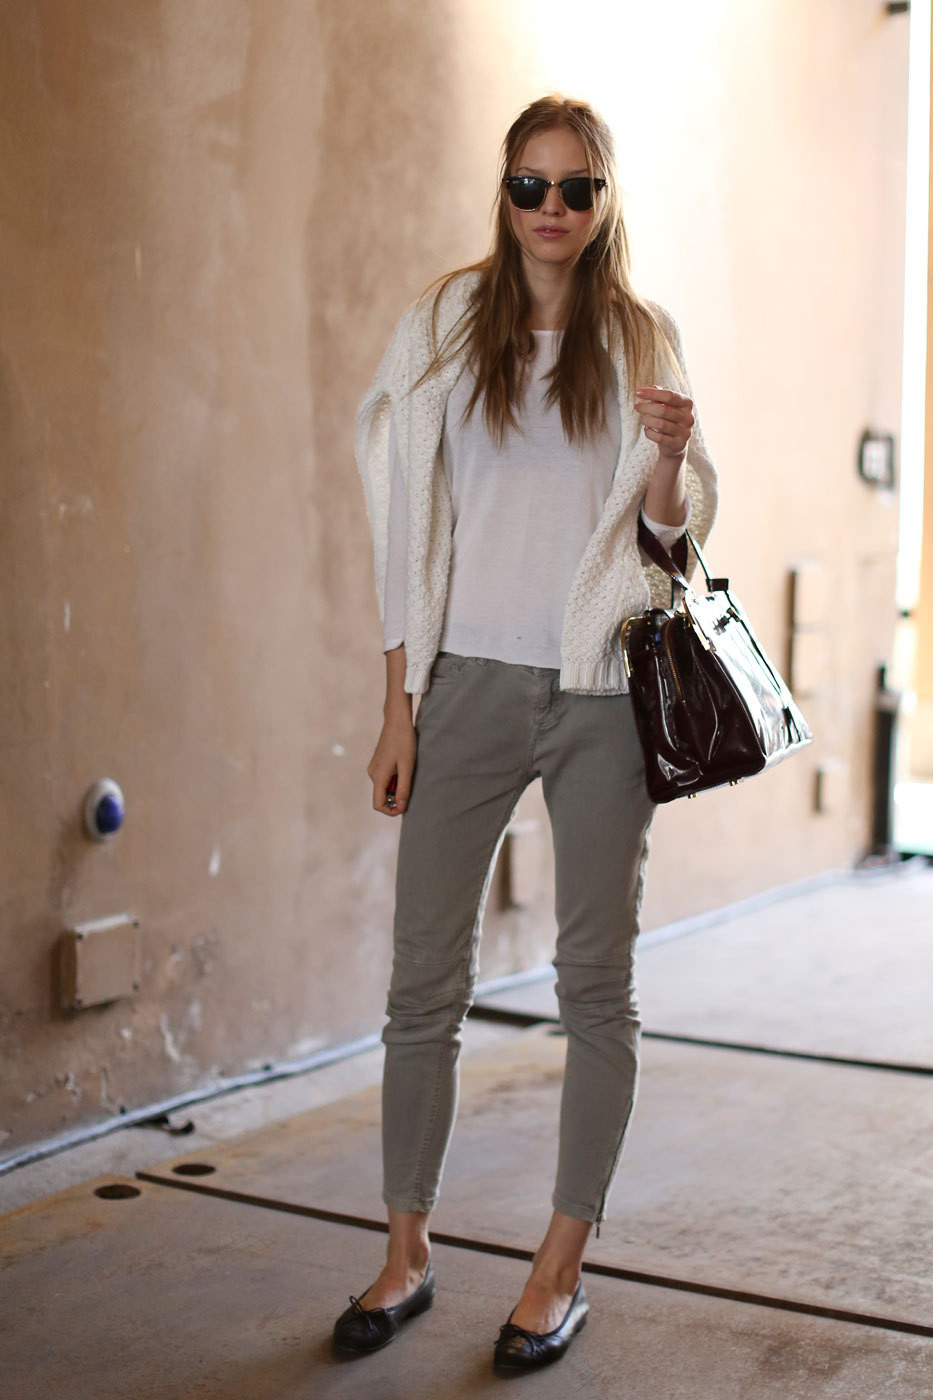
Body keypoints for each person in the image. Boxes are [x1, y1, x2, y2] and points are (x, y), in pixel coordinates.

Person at [334, 94, 717, 1369]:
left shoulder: (641, 335)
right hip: (469, 688)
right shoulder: (448, 323)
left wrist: (668, 461)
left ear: (604, 202)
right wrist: (398, 702)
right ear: (503, 195)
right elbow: (404, 517)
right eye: (529, 186)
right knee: (421, 983)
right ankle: (406, 1249)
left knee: (595, 986)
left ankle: (559, 1267)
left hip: (602, 696)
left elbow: (668, 544)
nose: (551, 208)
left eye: (575, 188)